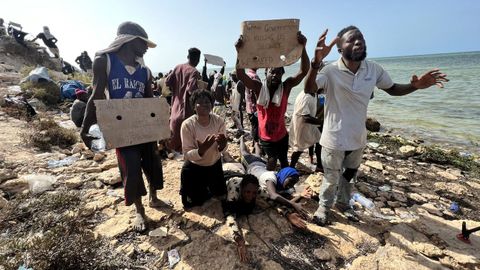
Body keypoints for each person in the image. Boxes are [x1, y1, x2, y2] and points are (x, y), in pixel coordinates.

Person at [304, 26, 449, 225]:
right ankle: (323, 207)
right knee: (330, 178)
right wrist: (315, 63)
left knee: (349, 177)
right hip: (333, 139)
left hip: (358, 139)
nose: (358, 42)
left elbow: (393, 89)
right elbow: (309, 88)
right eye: (352, 40)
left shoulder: (373, 69)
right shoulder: (329, 71)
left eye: (361, 39)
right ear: (339, 49)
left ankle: (344, 204)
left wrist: (415, 87)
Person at [80, 21, 164, 231]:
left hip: (144, 127)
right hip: (121, 129)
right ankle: (139, 212)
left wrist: (160, 131)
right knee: (131, 168)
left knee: (153, 163)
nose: (146, 48)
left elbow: (150, 102)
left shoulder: (145, 71)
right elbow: (97, 95)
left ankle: (154, 197)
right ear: (130, 40)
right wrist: (85, 128)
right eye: (143, 43)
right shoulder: (104, 61)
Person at [235, 31, 310, 170]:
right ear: (266, 73)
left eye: (279, 72)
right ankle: (268, 183)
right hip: (266, 137)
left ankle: (283, 185)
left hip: (282, 135)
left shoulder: (285, 86)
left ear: (283, 74)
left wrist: (303, 47)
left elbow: (304, 71)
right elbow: (240, 75)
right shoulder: (259, 88)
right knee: (271, 162)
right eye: (272, 72)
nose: (275, 75)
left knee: (284, 162)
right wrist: (239, 51)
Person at [180, 89, 228, 208]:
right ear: (194, 106)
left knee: (221, 195)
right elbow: (187, 153)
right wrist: (201, 150)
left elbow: (223, 147)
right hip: (195, 167)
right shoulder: (187, 125)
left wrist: (223, 145)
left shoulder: (218, 121)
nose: (205, 104)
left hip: (214, 165)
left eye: (207, 101)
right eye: (200, 102)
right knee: (194, 202)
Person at [166, 47, 201, 152]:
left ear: (188, 56)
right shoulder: (194, 71)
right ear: (198, 60)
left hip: (175, 108)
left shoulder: (178, 67)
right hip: (186, 110)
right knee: (186, 142)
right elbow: (192, 91)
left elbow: (168, 82)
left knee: (173, 140)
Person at [288, 90, 322, 171]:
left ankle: (320, 165)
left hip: (310, 125)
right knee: (298, 149)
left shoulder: (314, 94)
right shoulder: (305, 97)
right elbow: (305, 118)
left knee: (320, 141)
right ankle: (291, 168)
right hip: (301, 126)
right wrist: (322, 122)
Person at [244, 68, 261, 155]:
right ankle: (256, 145)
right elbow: (255, 92)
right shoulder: (254, 76)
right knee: (256, 126)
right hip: (255, 107)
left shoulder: (247, 75)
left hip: (249, 106)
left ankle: (254, 144)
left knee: (253, 125)